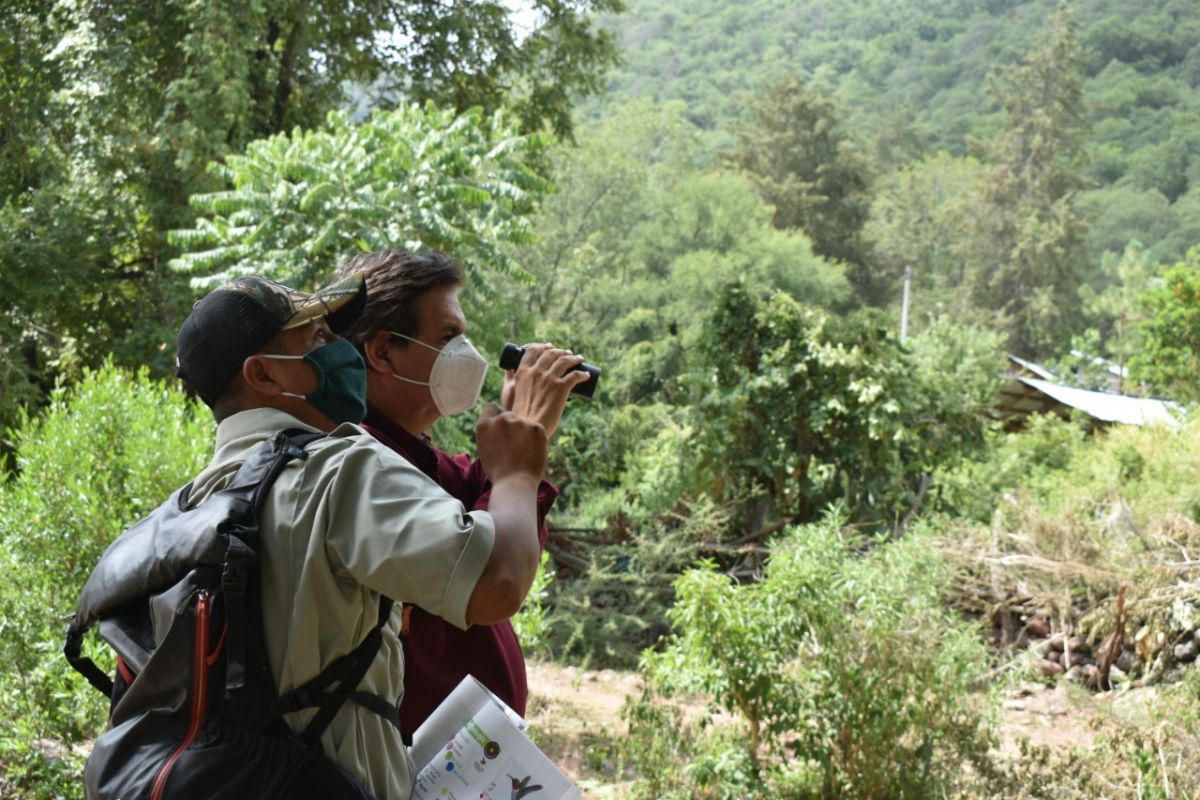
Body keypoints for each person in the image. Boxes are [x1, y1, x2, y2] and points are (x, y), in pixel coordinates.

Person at [173, 271, 548, 799]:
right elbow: (498, 581)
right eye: (315, 339)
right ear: (263, 375)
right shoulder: (336, 469)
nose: (338, 350)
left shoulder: (193, 502)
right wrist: (517, 473)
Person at [332, 249, 587, 736]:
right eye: (449, 337)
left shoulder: (413, 456)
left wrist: (520, 432)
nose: (468, 355)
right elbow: (499, 572)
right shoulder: (361, 465)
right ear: (382, 350)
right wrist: (520, 451)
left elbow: (487, 506)